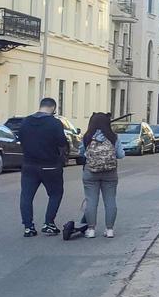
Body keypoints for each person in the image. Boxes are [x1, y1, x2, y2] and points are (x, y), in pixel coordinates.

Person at [16, 97, 70, 237]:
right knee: (55, 194)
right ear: (53, 108)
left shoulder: (25, 121)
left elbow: (20, 139)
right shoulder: (55, 123)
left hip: (29, 165)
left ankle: (28, 227)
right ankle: (49, 224)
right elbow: (62, 143)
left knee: (26, 196)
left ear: (40, 106)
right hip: (50, 165)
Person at [78, 112, 125, 239]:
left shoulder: (87, 137)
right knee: (110, 201)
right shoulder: (113, 137)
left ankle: (91, 229)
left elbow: (81, 153)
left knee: (91, 201)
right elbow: (121, 155)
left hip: (90, 172)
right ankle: (109, 230)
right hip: (110, 173)